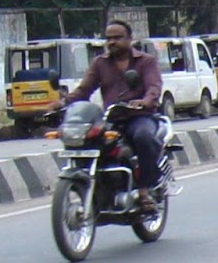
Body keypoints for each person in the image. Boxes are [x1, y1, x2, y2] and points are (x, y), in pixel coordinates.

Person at [65, 20, 165, 210]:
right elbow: (84, 90)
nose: (112, 42)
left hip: (139, 116)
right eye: (109, 38)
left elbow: (154, 86)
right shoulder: (100, 63)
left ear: (129, 39)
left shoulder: (146, 61)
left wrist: (145, 100)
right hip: (112, 119)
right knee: (88, 140)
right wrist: (62, 103)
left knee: (144, 137)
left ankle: (145, 190)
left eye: (117, 38)